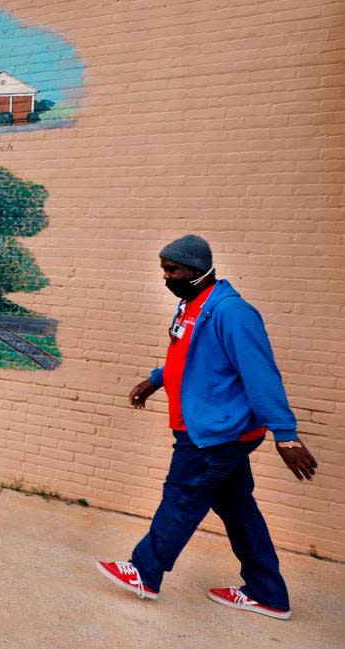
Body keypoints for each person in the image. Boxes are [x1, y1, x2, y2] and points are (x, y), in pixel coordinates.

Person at [96, 234, 317, 620]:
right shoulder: (192, 305)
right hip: (212, 428)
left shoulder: (231, 312)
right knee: (238, 509)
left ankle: (145, 572)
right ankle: (268, 593)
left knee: (182, 496)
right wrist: (157, 378)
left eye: (173, 270)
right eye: (164, 269)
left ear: (198, 272)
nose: (166, 277)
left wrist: (286, 432)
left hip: (214, 433)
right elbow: (191, 355)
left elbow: (260, 373)